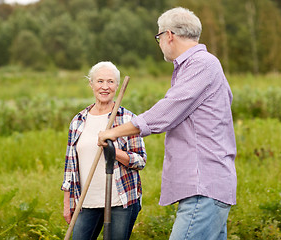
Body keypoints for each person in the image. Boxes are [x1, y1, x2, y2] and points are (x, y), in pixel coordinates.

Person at [98, 7, 237, 240]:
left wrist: (115, 132)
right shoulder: (198, 67)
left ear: (169, 35)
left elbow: (166, 112)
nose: (160, 42)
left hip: (203, 187)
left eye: (159, 37)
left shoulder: (202, 64)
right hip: (207, 188)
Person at [61, 61, 147, 240]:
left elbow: (140, 160)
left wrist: (114, 152)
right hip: (86, 201)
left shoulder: (128, 119)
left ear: (117, 85)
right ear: (91, 84)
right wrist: (67, 201)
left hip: (120, 200)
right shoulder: (78, 121)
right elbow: (70, 165)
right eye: (100, 81)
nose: (105, 87)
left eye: (110, 82)